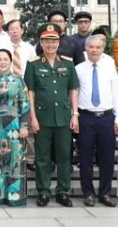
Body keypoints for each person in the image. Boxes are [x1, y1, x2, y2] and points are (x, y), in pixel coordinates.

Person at [24, 23, 79, 207]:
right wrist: (32, 117)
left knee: (64, 156)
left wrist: (75, 114)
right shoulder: (33, 65)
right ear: (41, 42)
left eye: (54, 41)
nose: (50, 45)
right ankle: (43, 191)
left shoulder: (68, 64)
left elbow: (73, 90)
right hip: (42, 118)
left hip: (64, 117)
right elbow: (30, 92)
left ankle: (62, 191)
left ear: (59, 42)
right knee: (42, 157)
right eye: (47, 41)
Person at [75, 36, 118, 208]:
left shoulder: (109, 68)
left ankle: (105, 193)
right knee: (85, 158)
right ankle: (88, 193)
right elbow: (74, 93)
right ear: (86, 49)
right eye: (91, 47)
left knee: (107, 158)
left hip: (106, 117)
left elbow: (116, 94)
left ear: (103, 49)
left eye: (98, 47)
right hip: (85, 117)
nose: (94, 50)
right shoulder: (78, 69)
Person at [0, 49, 30, 207]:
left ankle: (15, 197)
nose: (3, 62)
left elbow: (25, 104)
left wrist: (24, 125)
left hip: (15, 127)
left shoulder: (18, 81)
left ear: (10, 61)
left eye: (6, 59)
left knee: (15, 162)